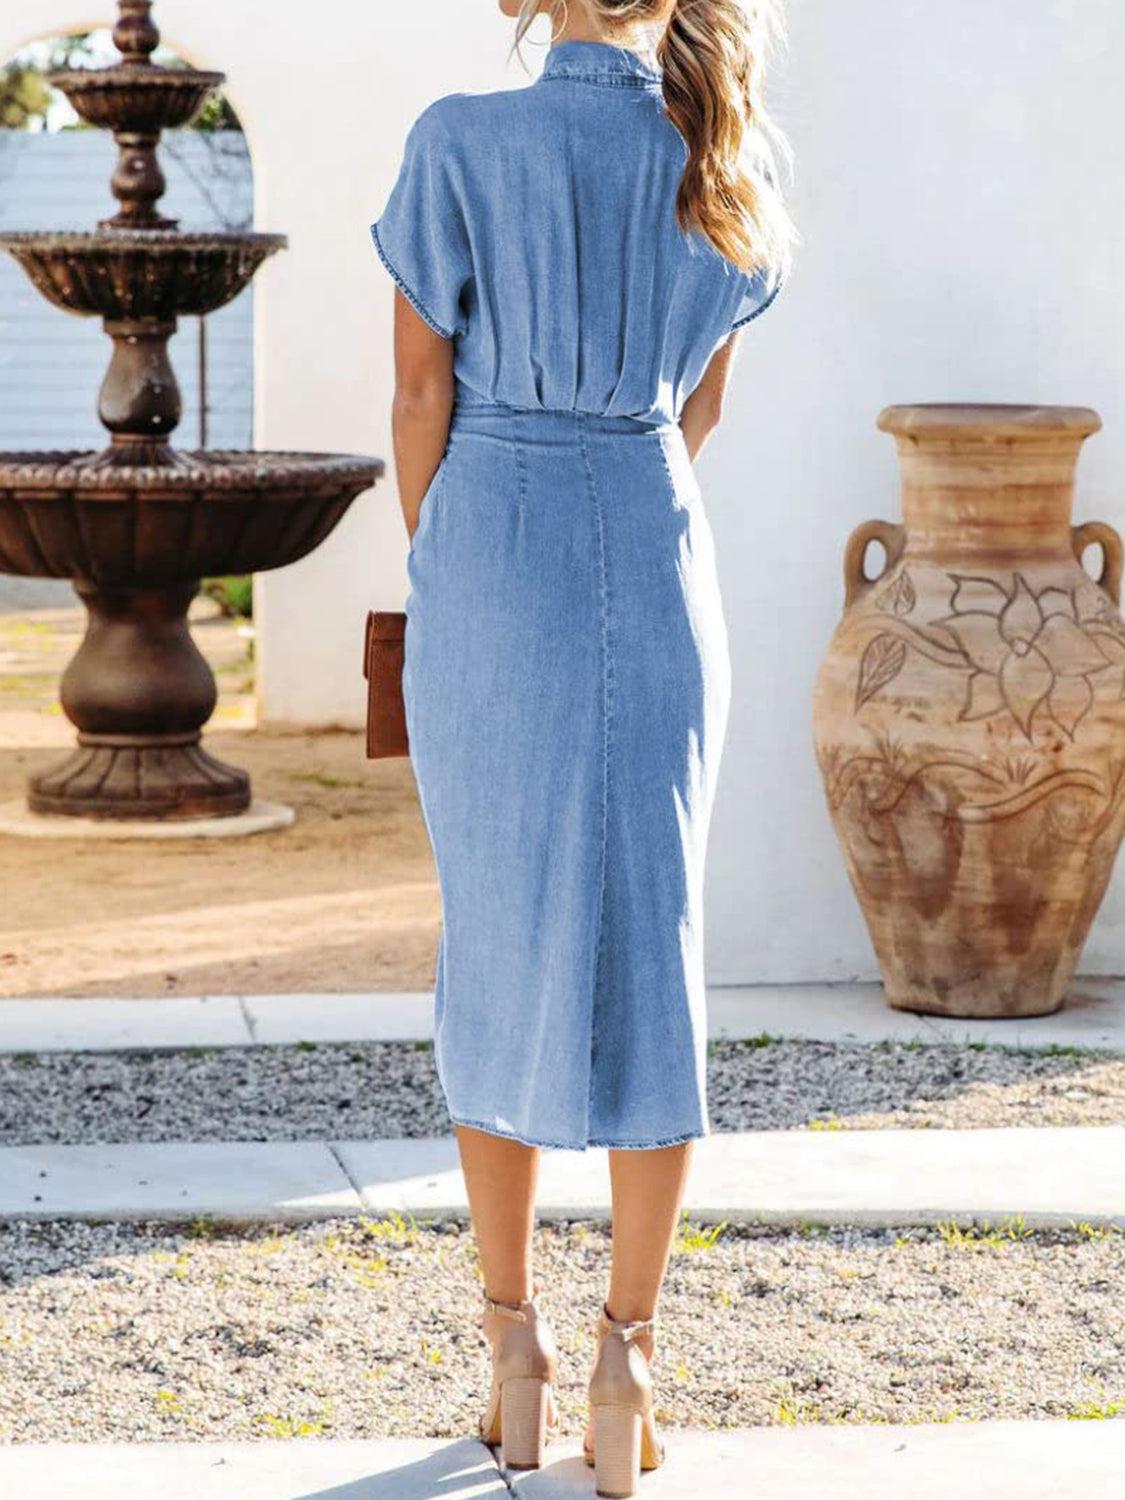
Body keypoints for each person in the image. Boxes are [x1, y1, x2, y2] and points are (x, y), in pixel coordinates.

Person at [369, 1, 794, 1492]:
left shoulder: (458, 140)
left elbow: (421, 396)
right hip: (652, 542)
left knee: (493, 935)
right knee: (649, 943)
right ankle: (627, 1357)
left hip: (491, 543)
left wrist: (455, 560)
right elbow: (695, 413)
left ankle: (510, 1344)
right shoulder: (722, 158)